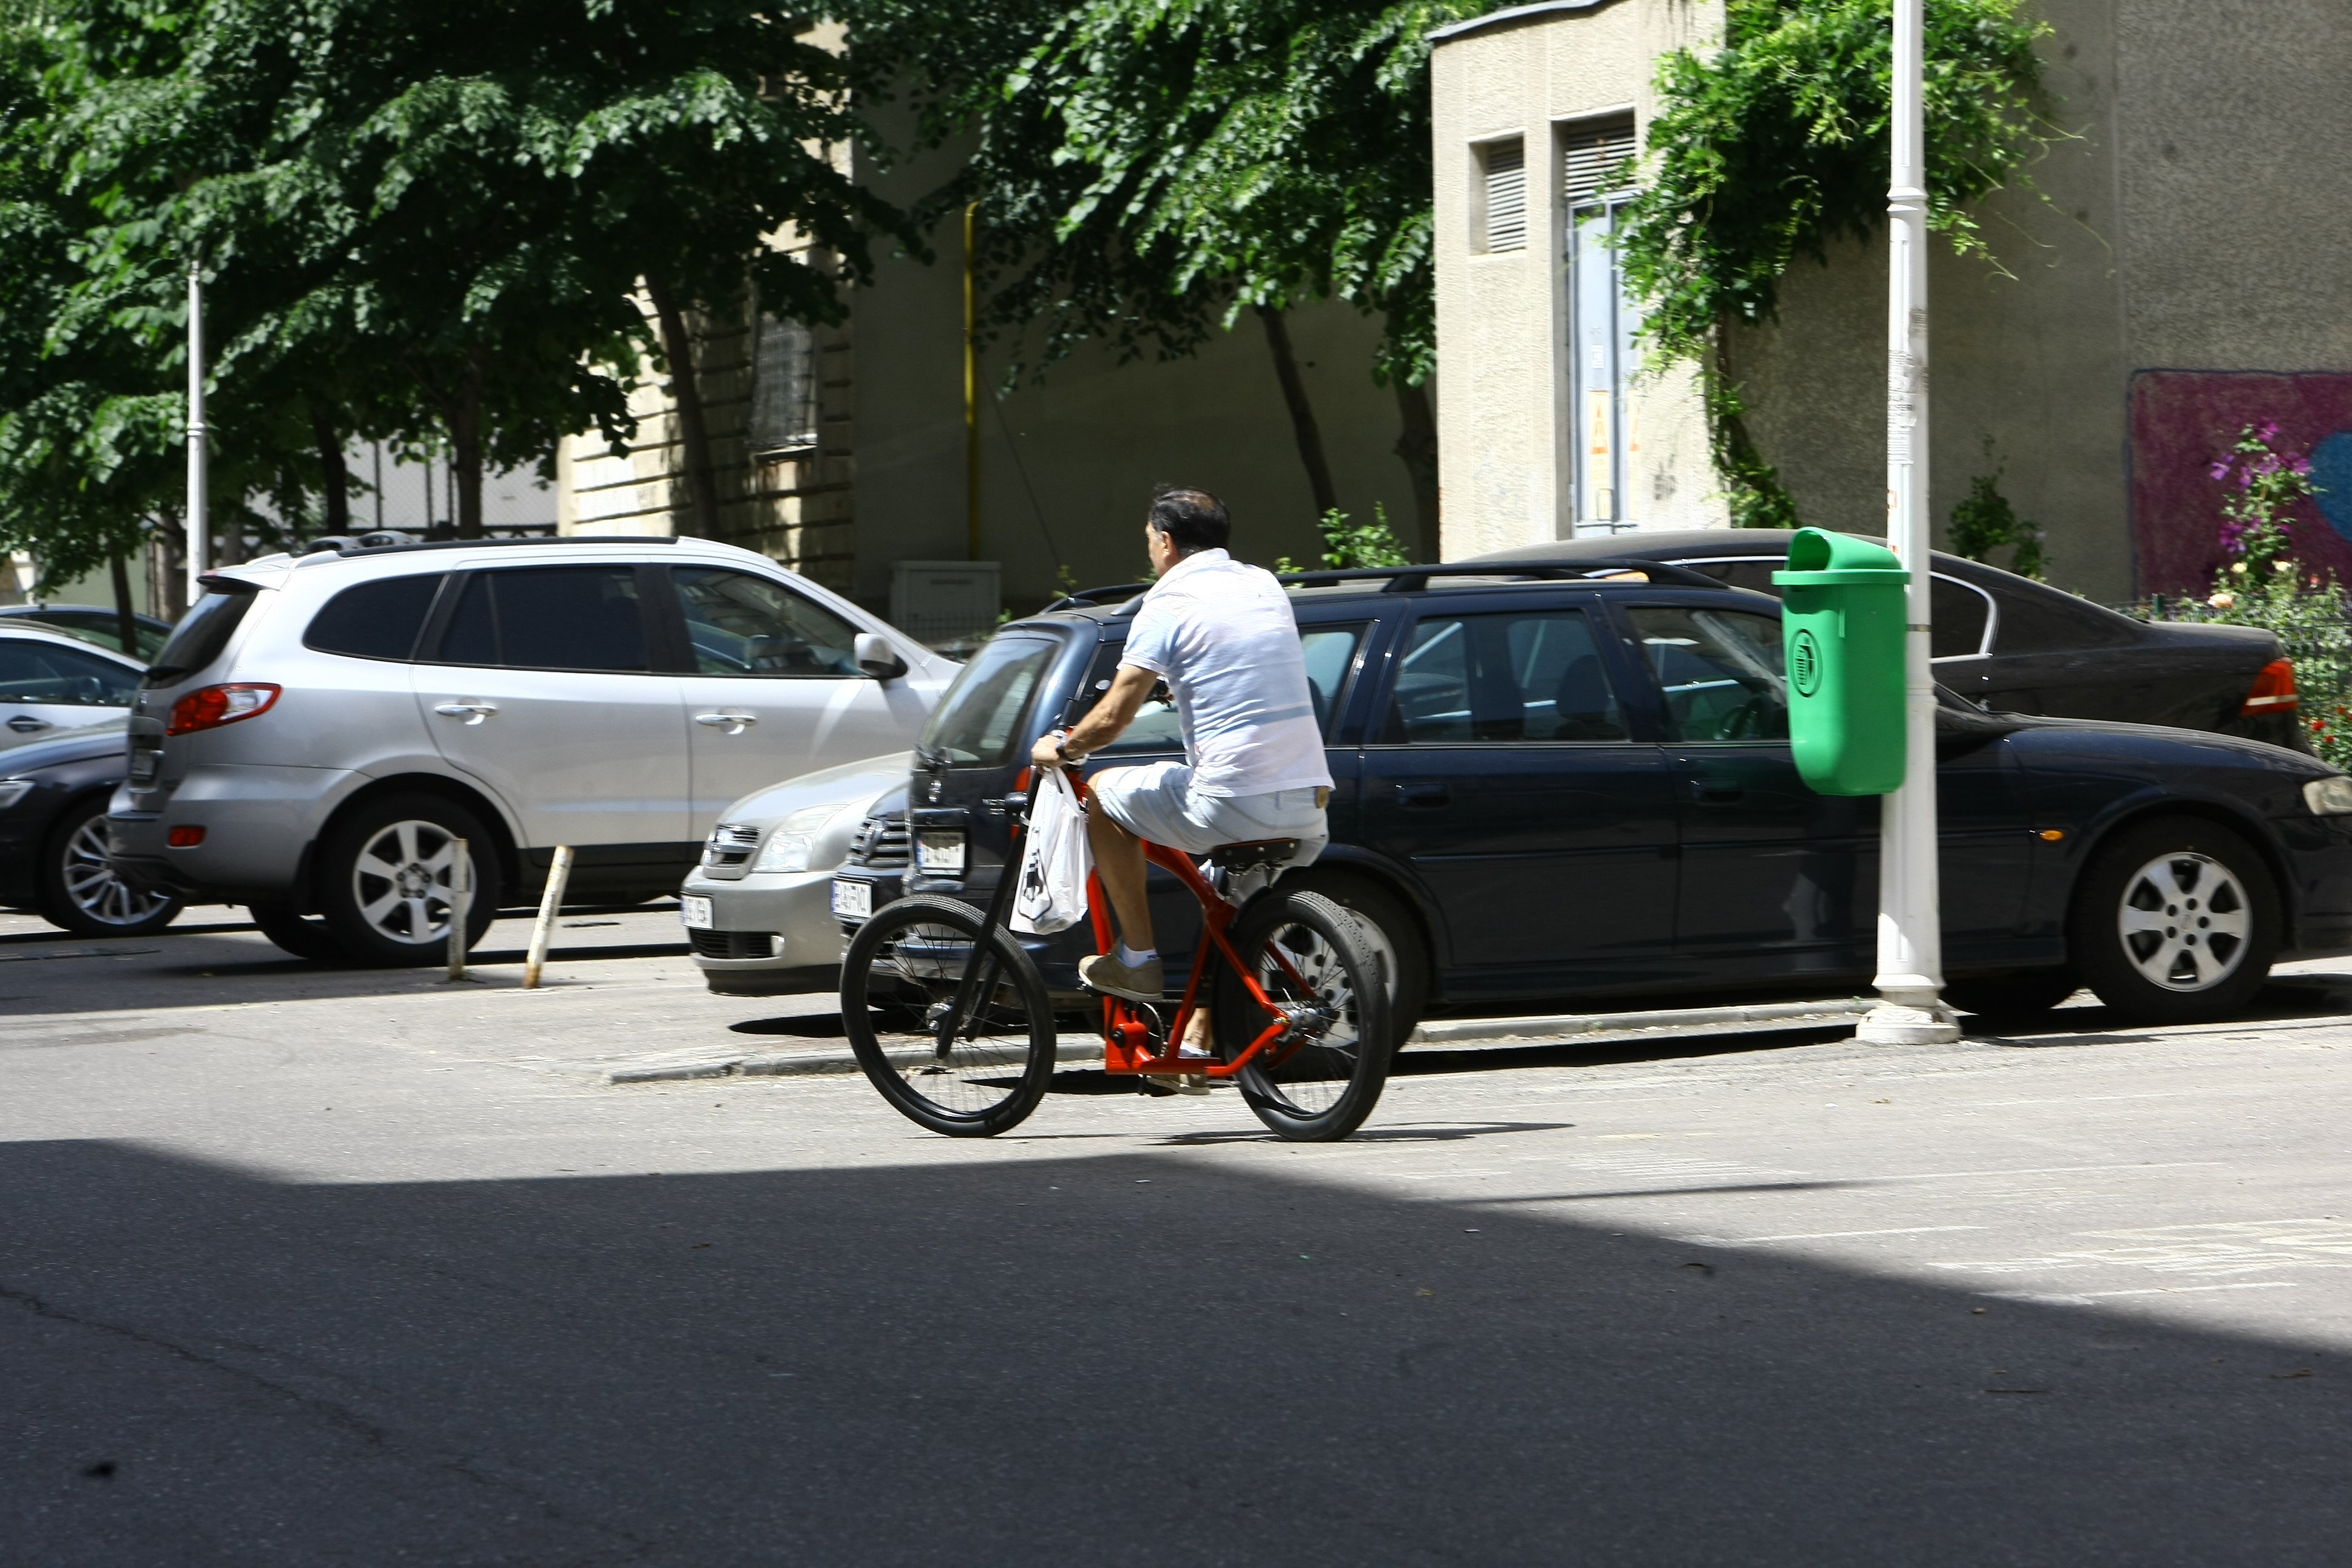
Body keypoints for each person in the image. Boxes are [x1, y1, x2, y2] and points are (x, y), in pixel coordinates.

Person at [1030, 486, 1333, 1028]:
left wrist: (1064, 747)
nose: (1150, 552)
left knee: (1099, 794)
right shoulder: (1263, 583)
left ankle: (1138, 960)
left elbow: (1117, 713)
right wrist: (1180, 684)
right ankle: (1195, 1043)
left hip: (1232, 800)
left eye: (1149, 541)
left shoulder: (1167, 600)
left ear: (1166, 542)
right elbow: (1238, 660)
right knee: (1225, 903)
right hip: (1309, 803)